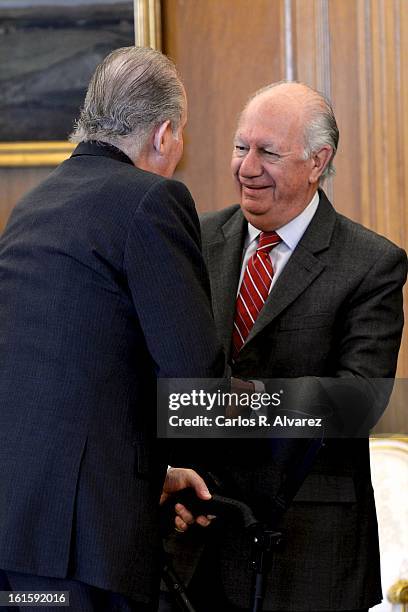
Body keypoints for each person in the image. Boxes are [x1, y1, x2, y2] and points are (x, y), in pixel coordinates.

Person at [163, 82, 407, 612]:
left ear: (318, 161)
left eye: (268, 152)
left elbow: (357, 403)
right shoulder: (193, 241)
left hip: (309, 546)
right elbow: (157, 375)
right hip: (197, 541)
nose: (246, 167)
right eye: (239, 146)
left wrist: (241, 399)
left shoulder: (371, 262)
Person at [0, 46, 226, 612]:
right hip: (87, 544)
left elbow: (75, 373)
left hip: (18, 535)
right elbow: (195, 382)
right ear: (165, 133)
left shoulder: (34, 205)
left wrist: (158, 468)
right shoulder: (151, 199)